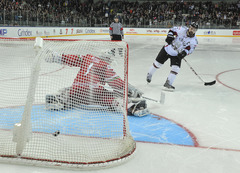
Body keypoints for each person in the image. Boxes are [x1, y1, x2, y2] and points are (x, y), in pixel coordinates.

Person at [45, 50, 149, 117]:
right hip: (93, 92)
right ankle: (131, 106)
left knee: (69, 91)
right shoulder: (104, 65)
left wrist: (56, 57)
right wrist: (132, 90)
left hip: (77, 90)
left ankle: (59, 99)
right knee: (110, 96)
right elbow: (116, 83)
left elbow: (72, 59)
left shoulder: (87, 58)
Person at [146, 22, 199, 91]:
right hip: (167, 49)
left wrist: (184, 53)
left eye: (194, 30)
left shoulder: (194, 41)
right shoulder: (181, 29)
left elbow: (190, 49)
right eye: (191, 28)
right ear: (189, 27)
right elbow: (172, 30)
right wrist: (169, 36)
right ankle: (149, 74)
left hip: (177, 54)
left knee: (176, 68)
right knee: (157, 64)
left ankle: (168, 83)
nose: (192, 30)